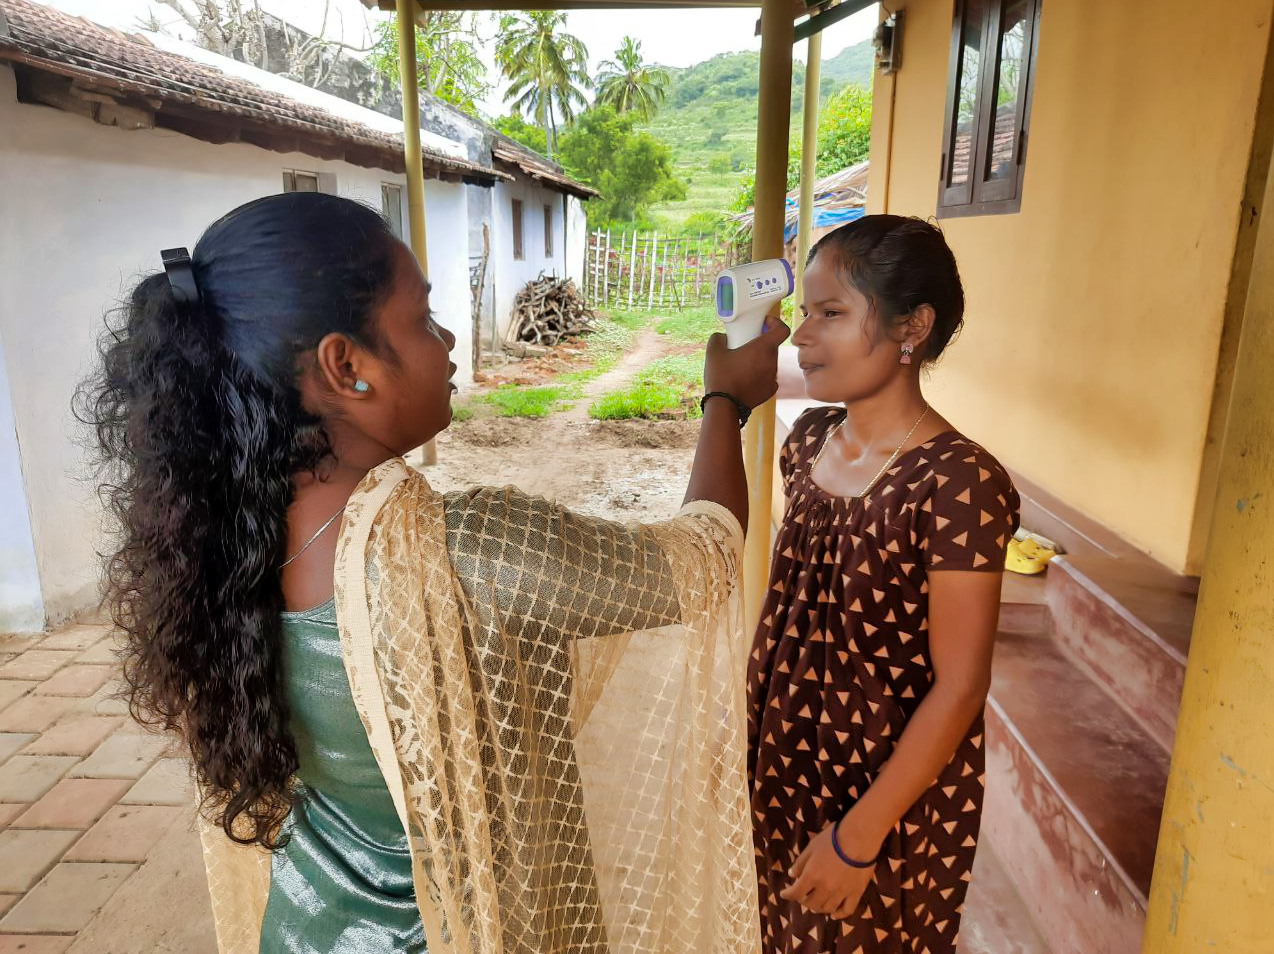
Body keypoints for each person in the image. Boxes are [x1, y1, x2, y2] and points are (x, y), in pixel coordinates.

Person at [79, 192, 786, 954]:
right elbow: (700, 561)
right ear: (344, 365)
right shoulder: (464, 552)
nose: (447, 340)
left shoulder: (222, 545)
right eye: (420, 319)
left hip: (305, 928)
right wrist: (724, 401)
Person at [749, 215, 1019, 954]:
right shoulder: (807, 442)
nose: (802, 335)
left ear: (913, 327)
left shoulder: (959, 482)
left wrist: (859, 839)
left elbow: (961, 687)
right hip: (787, 763)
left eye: (832, 313)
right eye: (806, 311)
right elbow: (802, 613)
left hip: (885, 798)